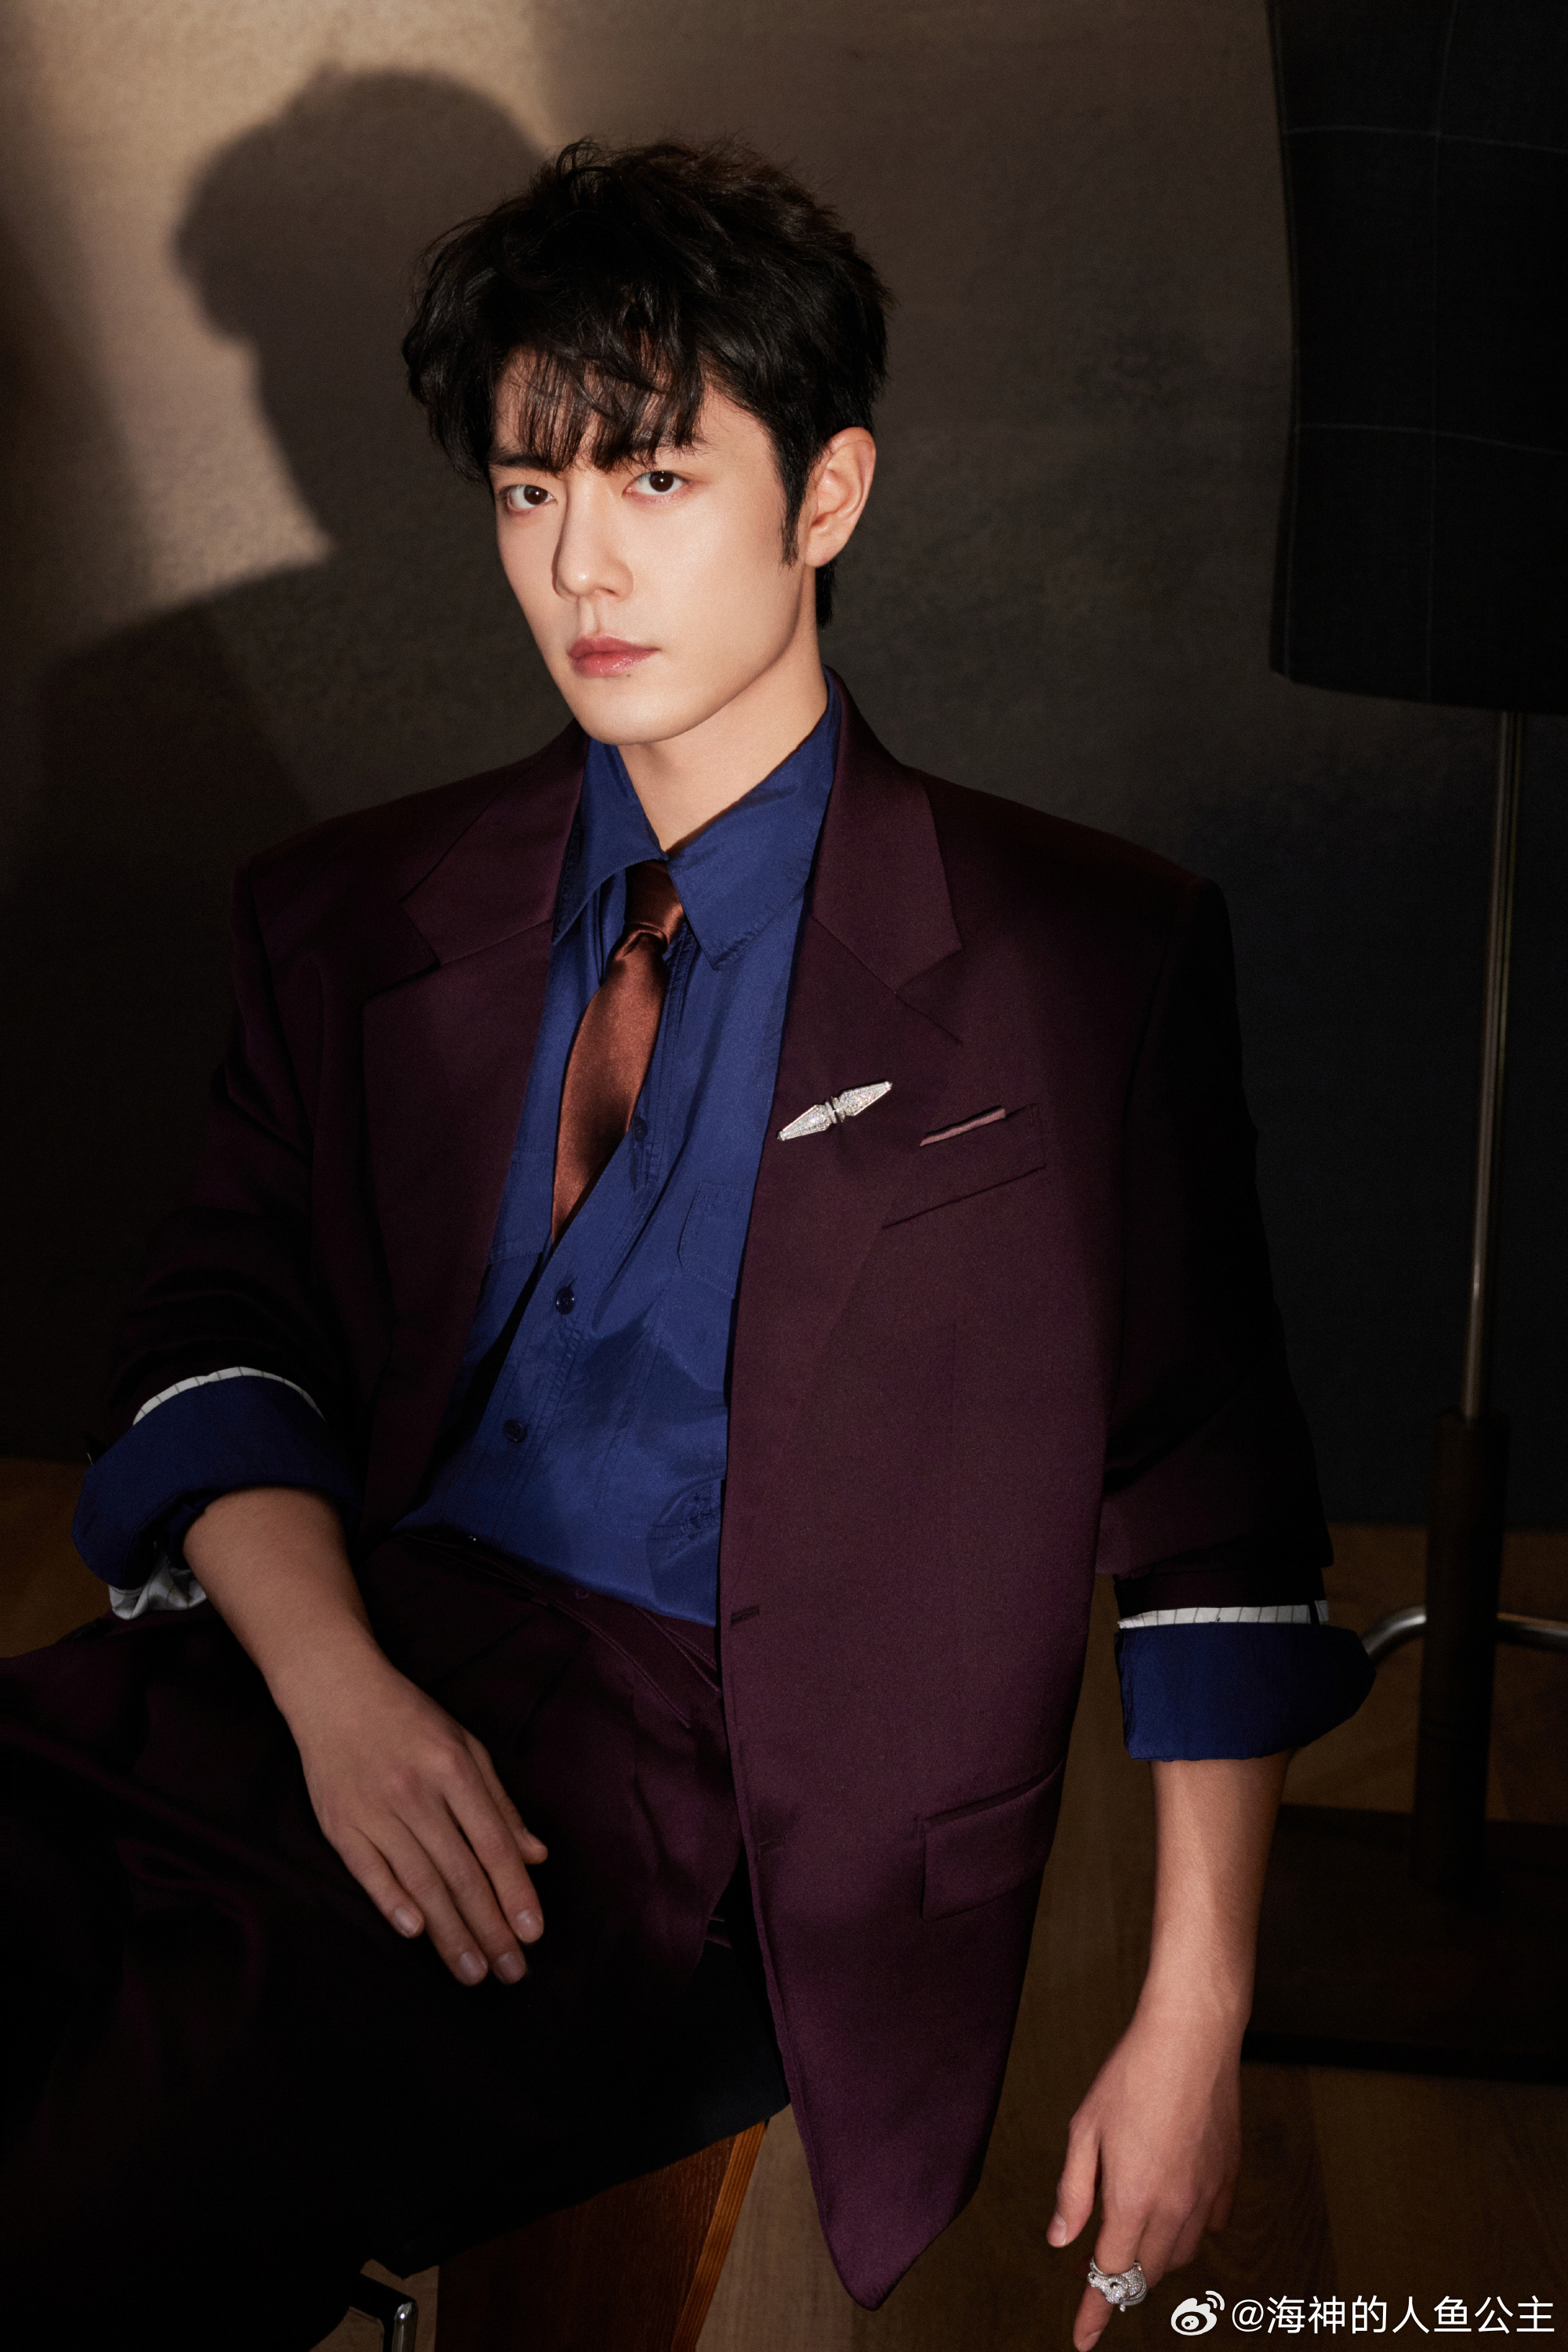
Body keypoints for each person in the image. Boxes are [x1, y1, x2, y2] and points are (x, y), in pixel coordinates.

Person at [2, 138, 1373, 2348]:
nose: (581, 566)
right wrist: (336, 1686)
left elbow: (1214, 1502)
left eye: (652, 479)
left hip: (699, 1800)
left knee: (100, 2181)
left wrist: (1193, 2014)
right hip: (303, 1663)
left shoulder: (1076, 963)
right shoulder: (351, 913)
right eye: (529, 492)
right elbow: (211, 1319)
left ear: (829, 495)